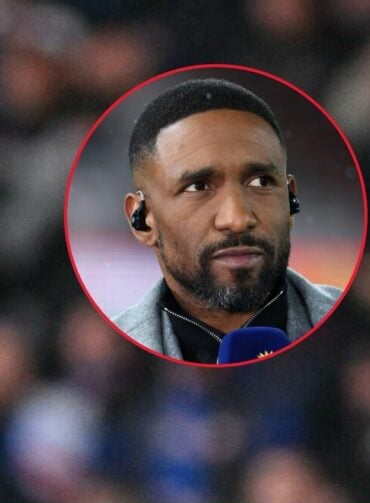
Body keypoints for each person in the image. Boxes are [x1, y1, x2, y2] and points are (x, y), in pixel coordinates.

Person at [114, 78, 342, 363]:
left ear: (291, 201)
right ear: (143, 219)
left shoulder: (356, 334)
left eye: (260, 182)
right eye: (198, 186)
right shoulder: (111, 352)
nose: (236, 219)